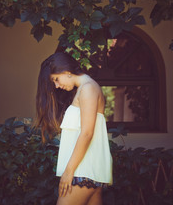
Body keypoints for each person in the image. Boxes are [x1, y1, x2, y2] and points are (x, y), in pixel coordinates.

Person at [34, 52, 113, 205]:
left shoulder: (88, 89)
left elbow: (87, 133)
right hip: (88, 170)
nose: (57, 85)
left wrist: (68, 172)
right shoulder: (85, 88)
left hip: (83, 171)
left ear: (67, 72)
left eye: (56, 79)